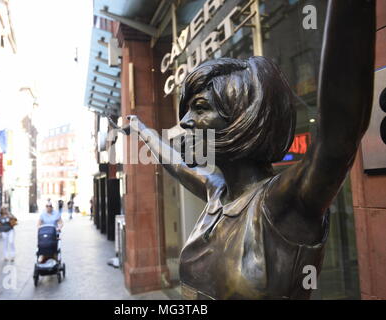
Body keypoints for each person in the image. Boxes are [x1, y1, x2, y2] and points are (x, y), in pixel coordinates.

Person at [116, 1, 375, 299]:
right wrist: (141, 130)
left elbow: (338, 137)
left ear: (243, 119)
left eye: (199, 108)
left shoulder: (282, 204)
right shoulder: (218, 193)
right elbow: (174, 162)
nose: (185, 123)